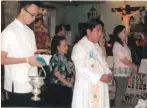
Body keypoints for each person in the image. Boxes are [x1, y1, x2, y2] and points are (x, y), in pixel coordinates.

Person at [1, 1, 43, 107]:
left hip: (33, 82)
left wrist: (40, 60)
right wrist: (27, 60)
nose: (34, 18)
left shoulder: (30, 32)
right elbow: (2, 59)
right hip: (18, 84)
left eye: (36, 15)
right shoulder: (8, 32)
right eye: (32, 15)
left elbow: (32, 55)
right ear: (22, 10)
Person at [71, 19, 112, 108]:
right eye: (98, 31)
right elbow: (81, 68)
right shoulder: (80, 47)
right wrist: (99, 77)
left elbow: (103, 62)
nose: (100, 34)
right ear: (89, 31)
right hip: (87, 87)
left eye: (101, 31)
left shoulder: (96, 46)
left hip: (100, 85)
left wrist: (108, 73)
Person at [44, 36, 75, 106]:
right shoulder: (55, 58)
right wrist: (68, 84)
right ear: (58, 47)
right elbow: (57, 75)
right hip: (58, 89)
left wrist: (72, 81)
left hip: (66, 87)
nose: (67, 47)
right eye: (64, 46)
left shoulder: (66, 58)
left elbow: (72, 70)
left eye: (67, 45)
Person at [112, 25, 137, 108]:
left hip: (124, 72)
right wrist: (133, 66)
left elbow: (128, 58)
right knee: (120, 93)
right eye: (124, 32)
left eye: (126, 31)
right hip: (120, 72)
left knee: (121, 92)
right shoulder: (117, 45)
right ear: (119, 34)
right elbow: (123, 59)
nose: (126, 33)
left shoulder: (123, 44)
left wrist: (133, 69)